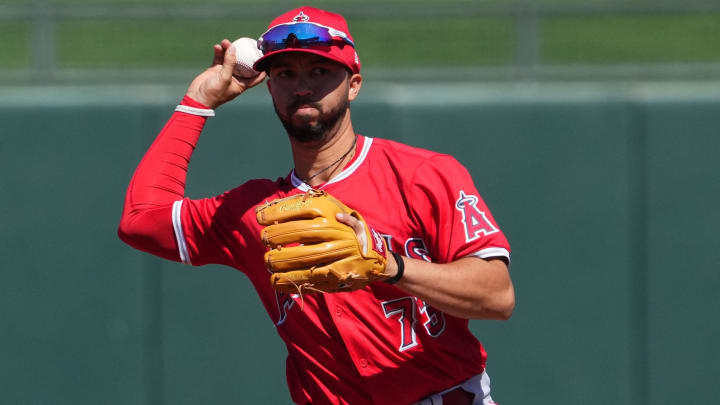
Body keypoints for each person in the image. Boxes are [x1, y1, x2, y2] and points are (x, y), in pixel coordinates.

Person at [118, 6, 515, 405]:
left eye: (319, 71)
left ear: (354, 83)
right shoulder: (252, 210)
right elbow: (140, 220)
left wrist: (388, 265)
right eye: (286, 74)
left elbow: (497, 296)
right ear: (269, 87)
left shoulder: (422, 174)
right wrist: (197, 102)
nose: (302, 86)